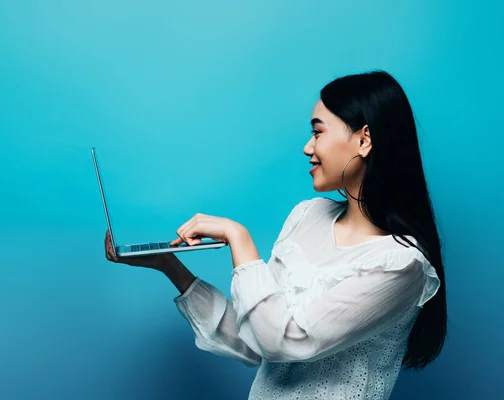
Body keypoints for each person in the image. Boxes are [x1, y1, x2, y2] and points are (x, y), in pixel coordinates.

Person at [104, 70, 447, 400]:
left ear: (363, 139)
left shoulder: (401, 265)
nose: (307, 148)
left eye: (318, 132)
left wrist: (238, 238)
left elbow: (285, 342)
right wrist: (169, 265)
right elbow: (254, 338)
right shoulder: (307, 216)